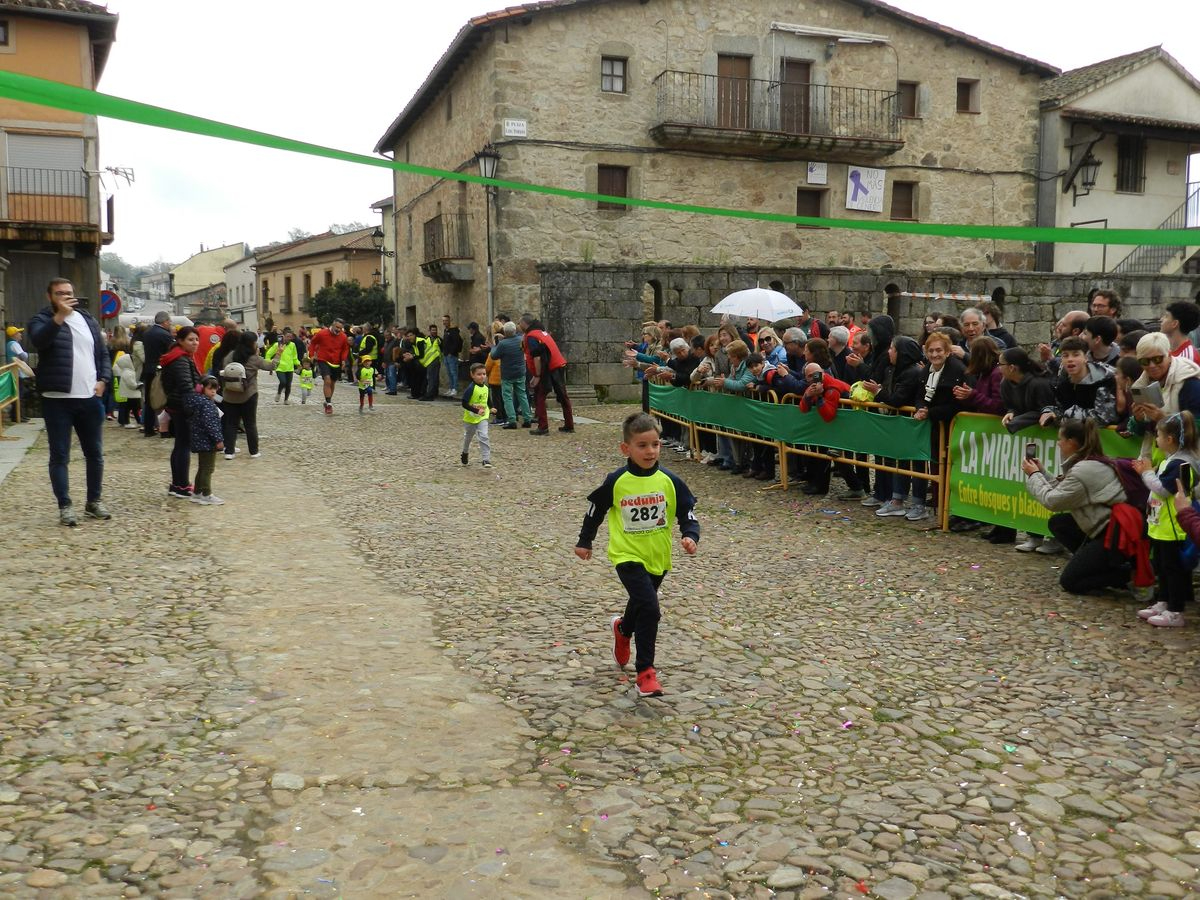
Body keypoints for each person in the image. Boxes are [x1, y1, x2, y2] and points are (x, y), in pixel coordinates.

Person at [574, 412, 699, 698]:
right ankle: (646, 673)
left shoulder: (670, 481)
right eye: (642, 445)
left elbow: (687, 513)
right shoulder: (617, 480)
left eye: (655, 444)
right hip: (626, 554)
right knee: (650, 608)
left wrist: (690, 535)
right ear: (626, 448)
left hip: (658, 556)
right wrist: (585, 541)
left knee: (642, 602)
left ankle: (623, 629)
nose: (650, 451)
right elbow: (595, 510)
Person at [27, 278, 112, 525]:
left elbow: (102, 353)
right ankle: (65, 505)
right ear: (49, 296)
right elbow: (40, 341)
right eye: (59, 293)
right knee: (60, 455)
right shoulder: (41, 319)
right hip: (57, 399)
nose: (65, 296)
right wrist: (59, 317)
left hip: (89, 397)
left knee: (95, 453)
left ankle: (93, 501)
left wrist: (104, 380)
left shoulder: (88, 320)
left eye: (68, 293)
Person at [1021, 418, 1130, 595]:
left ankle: (1127, 575)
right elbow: (1064, 491)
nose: (1058, 444)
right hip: (1108, 527)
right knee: (1059, 523)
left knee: (1070, 582)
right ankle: (1094, 564)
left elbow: (1053, 501)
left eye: (1060, 439)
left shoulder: (1083, 470)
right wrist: (1042, 473)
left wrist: (1034, 475)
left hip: (1113, 534)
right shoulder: (1090, 461)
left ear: (1071, 442)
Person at [1132, 411, 1199, 627]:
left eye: (1158, 436)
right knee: (1161, 565)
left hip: (1172, 527)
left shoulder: (1180, 463)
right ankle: (1163, 601)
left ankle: (1175, 610)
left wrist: (1146, 473)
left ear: (1169, 439)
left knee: (1172, 569)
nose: (1156, 439)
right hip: (1160, 525)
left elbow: (1163, 489)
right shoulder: (1170, 460)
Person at [159, 326, 202, 499]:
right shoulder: (181, 359)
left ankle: (177, 484)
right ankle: (182, 485)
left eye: (197, 339)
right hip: (183, 407)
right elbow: (186, 386)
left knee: (179, 445)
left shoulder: (178, 356)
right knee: (183, 446)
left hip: (177, 405)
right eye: (190, 340)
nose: (195, 343)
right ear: (180, 341)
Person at [220, 331, 277, 460]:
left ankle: (229, 452)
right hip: (249, 394)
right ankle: (253, 451)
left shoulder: (230, 355)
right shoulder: (254, 358)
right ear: (252, 343)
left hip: (229, 394)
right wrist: (278, 355)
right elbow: (270, 366)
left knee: (231, 424)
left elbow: (224, 368)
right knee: (250, 424)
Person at [1039, 336, 1118, 428]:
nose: (1070, 359)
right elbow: (1062, 408)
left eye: (1076, 355)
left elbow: (1104, 418)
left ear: (1086, 357)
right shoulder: (1063, 381)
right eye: (1065, 355)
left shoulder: (1104, 380)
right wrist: (1049, 412)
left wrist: (1068, 415)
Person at [520, 314, 575, 435]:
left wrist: (537, 375)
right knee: (563, 396)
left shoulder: (531, 336)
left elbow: (537, 357)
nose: (519, 326)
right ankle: (569, 425)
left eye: (520, 323)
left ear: (524, 323)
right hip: (557, 365)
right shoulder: (542, 332)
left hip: (547, 368)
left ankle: (543, 427)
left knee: (540, 396)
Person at [188, 375, 225, 505]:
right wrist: (218, 440)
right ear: (202, 388)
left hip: (200, 439)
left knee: (202, 467)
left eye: (215, 389)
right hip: (207, 441)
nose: (213, 392)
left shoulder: (199, 401)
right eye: (210, 389)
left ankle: (197, 492)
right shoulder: (207, 404)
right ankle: (206, 493)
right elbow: (211, 424)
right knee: (208, 468)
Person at [490, 321, 531, 429]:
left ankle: (512, 420)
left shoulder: (503, 344)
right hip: (520, 372)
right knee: (522, 395)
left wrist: (494, 345)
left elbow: (494, 356)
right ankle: (527, 418)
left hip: (507, 374)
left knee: (507, 397)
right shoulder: (520, 340)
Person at [140, 310, 174, 436]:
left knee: (149, 399)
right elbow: (170, 353)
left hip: (148, 369)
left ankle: (148, 428)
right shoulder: (165, 335)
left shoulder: (147, 333)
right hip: (161, 370)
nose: (170, 324)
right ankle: (165, 428)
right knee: (164, 399)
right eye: (169, 321)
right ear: (165, 321)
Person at [308, 319, 350, 415]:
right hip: (323, 359)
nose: (338, 330)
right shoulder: (322, 333)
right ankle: (329, 404)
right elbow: (313, 343)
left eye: (340, 328)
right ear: (333, 325)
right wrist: (312, 355)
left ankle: (327, 400)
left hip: (336, 362)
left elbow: (345, 349)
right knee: (327, 380)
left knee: (332, 382)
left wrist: (343, 359)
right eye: (337, 327)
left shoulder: (343, 337)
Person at [460, 363, 493, 468]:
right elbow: (464, 403)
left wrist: (491, 407)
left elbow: (487, 399)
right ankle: (465, 452)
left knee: (484, 436)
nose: (482, 376)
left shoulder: (486, 388)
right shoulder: (471, 388)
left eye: (484, 374)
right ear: (472, 375)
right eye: (479, 374)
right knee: (468, 437)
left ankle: (486, 459)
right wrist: (475, 410)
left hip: (483, 417)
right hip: (470, 418)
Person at [5, 325, 32, 424]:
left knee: (17, 393)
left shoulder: (9, 344)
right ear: (14, 335)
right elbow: (23, 356)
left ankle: (17, 415)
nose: (20, 334)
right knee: (20, 394)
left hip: (13, 371)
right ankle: (19, 416)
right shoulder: (14, 344)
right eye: (18, 333)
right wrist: (26, 354)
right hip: (17, 372)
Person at [111, 343, 142, 428]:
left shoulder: (126, 371)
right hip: (130, 394)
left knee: (127, 408)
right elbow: (131, 384)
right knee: (128, 408)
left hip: (128, 394)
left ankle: (127, 420)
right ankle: (126, 422)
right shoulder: (128, 372)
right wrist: (138, 385)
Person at [267, 329, 300, 403]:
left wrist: (298, 363)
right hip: (280, 367)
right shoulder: (277, 345)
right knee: (283, 382)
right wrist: (270, 362)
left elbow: (294, 356)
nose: (289, 338)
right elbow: (268, 354)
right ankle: (279, 392)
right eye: (287, 336)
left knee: (288, 385)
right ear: (283, 336)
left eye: (290, 337)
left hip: (289, 368)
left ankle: (286, 400)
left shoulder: (292, 345)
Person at [441, 314, 464, 396]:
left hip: (452, 355)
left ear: (449, 321)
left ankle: (455, 389)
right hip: (446, 355)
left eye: (446, 320)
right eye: (443, 321)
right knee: (449, 373)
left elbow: (457, 342)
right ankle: (451, 388)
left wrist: (451, 352)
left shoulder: (453, 331)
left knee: (453, 372)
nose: (445, 322)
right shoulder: (445, 331)